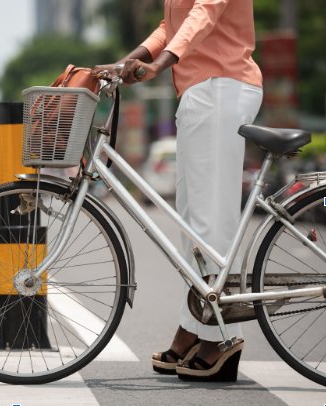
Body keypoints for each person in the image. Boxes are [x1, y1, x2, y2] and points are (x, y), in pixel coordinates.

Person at [95, 0, 263, 382]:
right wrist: (131, 60)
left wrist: (160, 64)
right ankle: (195, 327)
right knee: (190, 226)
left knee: (209, 223)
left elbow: (203, 13)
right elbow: (171, 25)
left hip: (222, 87)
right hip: (200, 92)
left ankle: (222, 337)